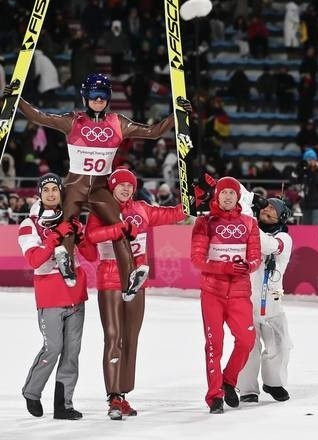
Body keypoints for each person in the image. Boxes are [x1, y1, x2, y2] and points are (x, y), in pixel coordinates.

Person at [16, 73, 192, 302]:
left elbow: (153, 132)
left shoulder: (118, 122)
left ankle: (130, 276)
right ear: (85, 97)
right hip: (75, 185)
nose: (99, 100)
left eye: (103, 96)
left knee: (121, 226)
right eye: (94, 95)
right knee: (67, 224)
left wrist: (178, 115)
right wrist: (17, 100)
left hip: (100, 187)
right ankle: (65, 261)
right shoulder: (73, 121)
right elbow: (40, 117)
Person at [80, 169, 186, 419]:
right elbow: (91, 236)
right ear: (112, 187)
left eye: (129, 186)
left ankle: (123, 393)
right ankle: (113, 397)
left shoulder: (143, 209)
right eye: (121, 185)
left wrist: (195, 198)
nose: (125, 189)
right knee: (113, 337)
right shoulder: (101, 208)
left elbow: (174, 214)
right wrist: (118, 229)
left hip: (136, 280)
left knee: (131, 337)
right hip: (110, 278)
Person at [19, 173, 88, 420]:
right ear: (39, 194)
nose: (50, 194)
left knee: (71, 353)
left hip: (76, 294)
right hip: (50, 296)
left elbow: (91, 255)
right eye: (46, 189)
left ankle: (64, 404)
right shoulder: (29, 225)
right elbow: (34, 259)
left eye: (54, 189)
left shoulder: (71, 220)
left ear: (61, 193)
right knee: (53, 348)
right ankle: (32, 391)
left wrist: (80, 235)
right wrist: (56, 237)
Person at [190, 176, 261, 414]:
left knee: (247, 341)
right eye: (224, 193)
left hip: (240, 292)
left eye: (232, 193)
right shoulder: (204, 222)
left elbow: (255, 257)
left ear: (238, 196)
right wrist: (223, 268)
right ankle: (214, 396)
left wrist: (248, 266)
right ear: (217, 196)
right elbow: (197, 260)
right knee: (214, 345)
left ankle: (229, 381)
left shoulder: (250, 223)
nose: (228, 197)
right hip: (213, 292)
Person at [236, 196, 293, 403]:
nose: (267, 210)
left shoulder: (284, 239)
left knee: (279, 344)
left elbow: (268, 245)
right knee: (248, 346)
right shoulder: (246, 229)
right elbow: (239, 194)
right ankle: (248, 389)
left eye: (273, 210)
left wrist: (247, 217)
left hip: (274, 298)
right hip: (246, 297)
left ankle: (273, 383)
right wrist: (248, 201)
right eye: (266, 206)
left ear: (282, 217)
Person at [297, 149, 318, 225]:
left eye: (310, 160)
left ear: (315, 160)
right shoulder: (306, 172)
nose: (308, 162)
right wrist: (298, 170)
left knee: (316, 231)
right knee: (306, 232)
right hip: (306, 205)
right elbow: (295, 181)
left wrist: (314, 172)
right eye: (306, 160)